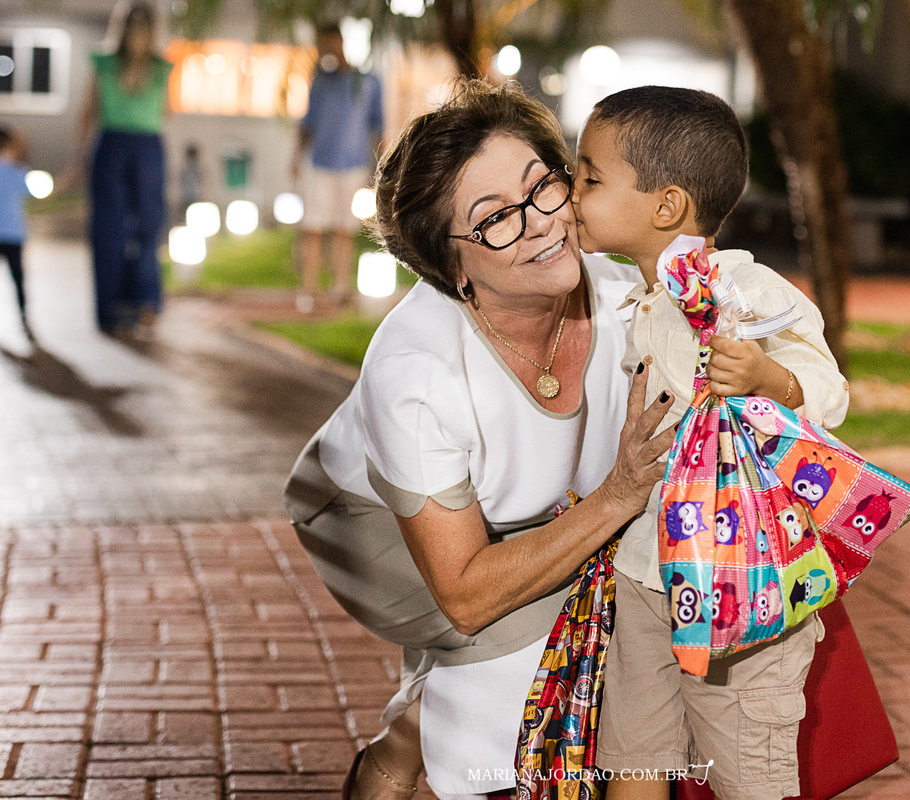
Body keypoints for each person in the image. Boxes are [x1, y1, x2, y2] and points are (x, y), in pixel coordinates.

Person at [284, 79, 678, 800]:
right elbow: (465, 594)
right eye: (494, 218)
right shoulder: (417, 371)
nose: (541, 224)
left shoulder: (628, 303)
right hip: (376, 528)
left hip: (539, 514)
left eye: (543, 187)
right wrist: (618, 498)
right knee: (543, 642)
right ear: (452, 267)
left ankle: (427, 715)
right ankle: (403, 746)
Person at [571, 85, 850, 800]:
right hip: (647, 569)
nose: (571, 193)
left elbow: (829, 388)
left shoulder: (746, 290)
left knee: (746, 768)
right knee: (634, 754)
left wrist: (768, 377)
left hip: (741, 577)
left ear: (666, 206)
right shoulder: (640, 295)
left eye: (589, 178)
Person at [75, 0, 172, 339]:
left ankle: (121, 309)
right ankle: (141, 305)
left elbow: (88, 111)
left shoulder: (118, 64)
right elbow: (167, 112)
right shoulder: (154, 67)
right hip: (136, 146)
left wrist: (80, 157)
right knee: (136, 229)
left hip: (123, 146)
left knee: (119, 230)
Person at [292, 21, 384, 312]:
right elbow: (308, 123)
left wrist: (381, 166)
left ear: (340, 42)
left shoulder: (367, 81)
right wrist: (296, 157)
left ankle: (340, 287)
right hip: (320, 163)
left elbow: (377, 126)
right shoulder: (319, 82)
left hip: (353, 164)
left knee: (346, 228)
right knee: (313, 227)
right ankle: (309, 290)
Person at [0, 126, 33, 341]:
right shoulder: (17, 171)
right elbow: (30, 191)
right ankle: (24, 318)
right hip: (13, 235)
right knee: (18, 279)